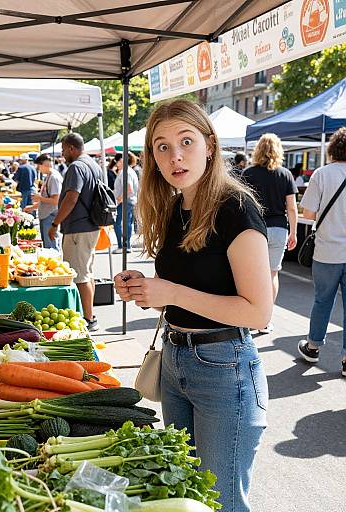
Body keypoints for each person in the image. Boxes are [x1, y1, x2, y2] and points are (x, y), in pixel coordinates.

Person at [114, 99, 272, 512]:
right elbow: (183, 291)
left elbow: (259, 312)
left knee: (220, 504)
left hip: (225, 367)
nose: (175, 155)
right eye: (161, 146)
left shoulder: (236, 208)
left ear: (210, 145)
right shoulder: (174, 207)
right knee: (186, 494)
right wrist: (146, 291)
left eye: (186, 141)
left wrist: (171, 293)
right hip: (175, 360)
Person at [297, 127, 346, 377]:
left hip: (327, 251)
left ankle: (313, 347)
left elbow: (308, 214)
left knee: (322, 300)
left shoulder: (322, 174)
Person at [242, 133, 298, 333]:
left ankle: (248, 318)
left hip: (253, 229)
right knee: (272, 273)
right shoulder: (285, 174)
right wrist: (294, 232)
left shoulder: (248, 173)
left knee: (249, 274)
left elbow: (240, 202)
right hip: (279, 228)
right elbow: (291, 207)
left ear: (258, 150)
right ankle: (265, 320)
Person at [48, 133, 101, 332]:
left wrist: (55, 223)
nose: (62, 154)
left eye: (63, 150)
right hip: (89, 226)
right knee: (87, 273)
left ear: (72, 148)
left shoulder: (76, 167)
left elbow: (71, 198)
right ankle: (90, 314)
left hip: (79, 227)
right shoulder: (93, 165)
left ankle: (88, 319)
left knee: (80, 276)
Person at [27, 154, 63, 251]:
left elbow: (56, 201)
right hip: (47, 216)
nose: (38, 169)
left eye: (38, 166)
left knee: (51, 248)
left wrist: (39, 198)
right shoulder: (49, 176)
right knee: (48, 247)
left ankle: (55, 265)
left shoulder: (54, 178)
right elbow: (47, 199)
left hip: (50, 216)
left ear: (44, 164)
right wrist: (32, 207)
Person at [112, 152, 138, 254]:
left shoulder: (125, 172)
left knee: (118, 223)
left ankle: (123, 245)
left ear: (121, 160)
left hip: (125, 202)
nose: (115, 164)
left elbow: (129, 189)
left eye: (116, 161)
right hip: (129, 201)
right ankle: (126, 245)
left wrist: (118, 200)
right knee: (127, 223)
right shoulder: (128, 171)